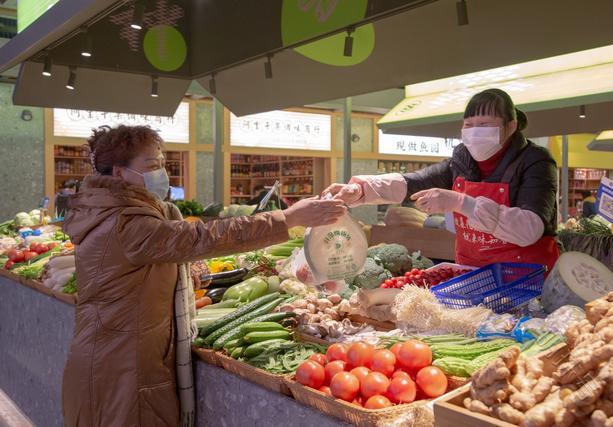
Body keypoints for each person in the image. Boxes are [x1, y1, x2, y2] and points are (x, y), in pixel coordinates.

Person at [61, 125, 346, 426]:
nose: (162, 173)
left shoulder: (112, 211)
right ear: (120, 173)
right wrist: (288, 218)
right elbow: (202, 237)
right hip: (124, 367)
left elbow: (137, 271)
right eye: (153, 165)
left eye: (163, 163)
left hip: (113, 355)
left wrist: (172, 276)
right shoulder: (125, 222)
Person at [324, 88, 559, 271]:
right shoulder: (462, 160)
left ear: (511, 126)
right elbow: (414, 182)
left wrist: (461, 202)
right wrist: (362, 189)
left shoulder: (535, 161)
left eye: (485, 125)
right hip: (473, 273)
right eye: (469, 125)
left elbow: (530, 228)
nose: (475, 131)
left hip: (525, 279)